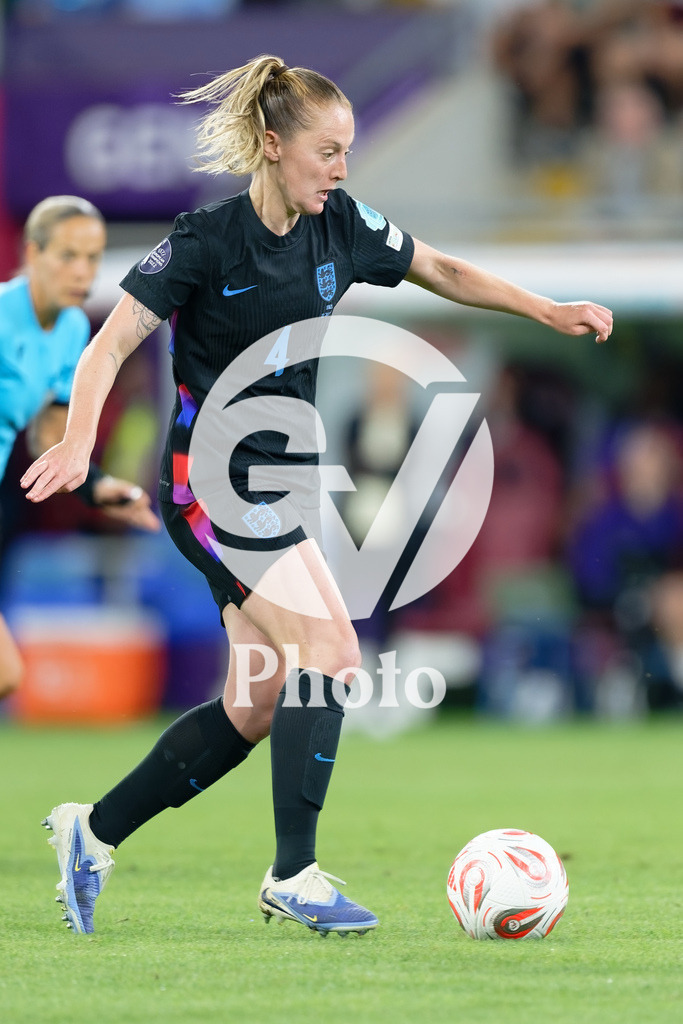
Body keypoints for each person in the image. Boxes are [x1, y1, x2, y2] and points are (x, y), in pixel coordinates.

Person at [21, 56, 612, 937]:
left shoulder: (342, 227)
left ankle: (91, 833)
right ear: (272, 146)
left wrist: (545, 309)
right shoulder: (203, 240)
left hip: (279, 485)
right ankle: (293, 873)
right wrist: (77, 439)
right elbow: (109, 346)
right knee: (332, 652)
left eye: (347, 151)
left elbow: (440, 268)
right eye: (326, 151)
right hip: (211, 482)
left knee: (255, 702)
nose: (340, 169)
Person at [0, 195, 159, 701]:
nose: (82, 271)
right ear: (32, 253)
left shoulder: (72, 332)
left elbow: (49, 438)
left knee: (6, 676)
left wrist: (97, 487)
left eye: (92, 257)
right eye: (67, 255)